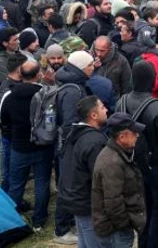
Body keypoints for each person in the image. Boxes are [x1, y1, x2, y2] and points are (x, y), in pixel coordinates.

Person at [116, 61, 158, 248]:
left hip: (133, 163)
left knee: (144, 209)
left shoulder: (122, 102)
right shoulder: (157, 107)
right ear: (152, 80)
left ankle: (143, 243)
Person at [0, 61, 54, 232]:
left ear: (20, 75)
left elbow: (3, 119)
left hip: (19, 146)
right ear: (39, 74)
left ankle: (13, 219)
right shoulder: (46, 94)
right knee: (42, 182)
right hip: (42, 145)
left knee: (16, 184)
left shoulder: (9, 95)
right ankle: (39, 219)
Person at [57, 96, 108, 248]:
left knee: (83, 241)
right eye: (102, 107)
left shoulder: (75, 132)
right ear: (93, 115)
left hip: (74, 197)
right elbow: (99, 176)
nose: (106, 110)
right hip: (87, 202)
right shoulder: (94, 141)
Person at [92, 112, 147, 248]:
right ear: (122, 137)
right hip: (115, 232)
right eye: (134, 133)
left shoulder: (118, 154)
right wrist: (125, 226)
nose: (137, 135)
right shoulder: (112, 163)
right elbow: (113, 203)